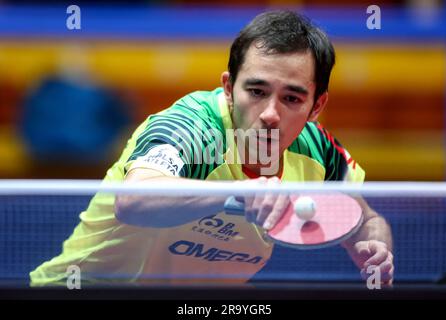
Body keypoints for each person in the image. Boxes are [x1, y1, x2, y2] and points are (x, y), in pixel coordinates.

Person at [30, 10, 394, 286]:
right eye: (256, 91)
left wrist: (374, 248)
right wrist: (237, 193)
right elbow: (135, 199)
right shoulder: (190, 128)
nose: (270, 114)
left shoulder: (321, 154)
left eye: (292, 98)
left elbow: (364, 218)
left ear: (316, 106)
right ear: (228, 87)